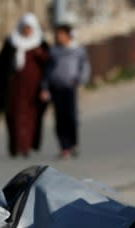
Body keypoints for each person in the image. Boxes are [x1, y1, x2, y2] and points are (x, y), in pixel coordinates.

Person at [0, 13, 50, 157]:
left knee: (31, 118)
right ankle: (16, 146)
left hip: (34, 89)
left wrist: (41, 55)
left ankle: (27, 147)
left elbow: (50, 65)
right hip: (14, 88)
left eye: (30, 28)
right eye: (25, 28)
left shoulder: (40, 44)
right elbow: (0, 65)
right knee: (14, 116)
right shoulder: (12, 42)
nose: (27, 31)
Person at [42, 23, 91, 158]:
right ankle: (64, 147)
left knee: (71, 117)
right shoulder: (53, 52)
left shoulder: (77, 50)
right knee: (59, 119)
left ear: (68, 36)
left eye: (61, 35)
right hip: (56, 88)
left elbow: (84, 66)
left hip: (70, 87)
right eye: (57, 35)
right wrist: (44, 88)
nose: (58, 37)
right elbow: (46, 71)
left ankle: (74, 143)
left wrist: (81, 79)